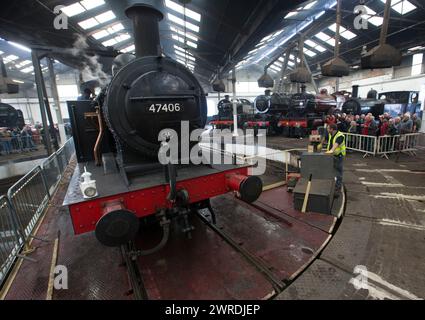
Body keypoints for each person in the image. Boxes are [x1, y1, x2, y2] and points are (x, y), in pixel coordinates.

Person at [325, 123, 346, 197]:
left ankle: (337, 190)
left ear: (332, 129)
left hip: (338, 157)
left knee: (338, 174)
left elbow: (336, 143)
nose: (327, 130)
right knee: (332, 172)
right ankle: (332, 186)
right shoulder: (331, 134)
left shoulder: (340, 136)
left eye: (328, 128)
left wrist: (332, 150)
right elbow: (327, 140)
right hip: (332, 156)